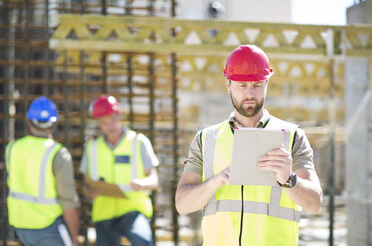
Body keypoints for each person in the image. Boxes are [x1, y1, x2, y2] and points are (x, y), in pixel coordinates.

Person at [175, 45, 323, 246]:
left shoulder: (292, 136)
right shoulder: (205, 139)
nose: (250, 93)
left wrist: (288, 178)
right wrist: (215, 181)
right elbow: (182, 205)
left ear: (267, 84)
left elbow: (314, 203)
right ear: (228, 85)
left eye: (257, 85)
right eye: (242, 86)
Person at [80, 94, 159, 246]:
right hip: (104, 213)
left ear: (119, 115)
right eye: (104, 123)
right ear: (98, 123)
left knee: (143, 242)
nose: (110, 126)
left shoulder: (139, 142)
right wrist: (89, 192)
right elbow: (85, 184)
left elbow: (154, 179)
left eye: (113, 120)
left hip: (133, 209)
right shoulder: (92, 148)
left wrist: (143, 183)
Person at [5, 96, 80, 246]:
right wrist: (74, 237)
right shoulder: (59, 154)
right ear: (54, 124)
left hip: (21, 227)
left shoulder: (12, 148)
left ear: (28, 122)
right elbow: (68, 201)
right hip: (48, 227)